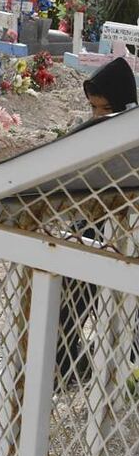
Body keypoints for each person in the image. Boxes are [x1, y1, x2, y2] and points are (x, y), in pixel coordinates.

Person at [57, 56, 138, 387]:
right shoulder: (91, 135)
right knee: (69, 284)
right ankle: (64, 365)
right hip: (98, 226)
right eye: (92, 109)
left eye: (104, 109)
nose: (97, 118)